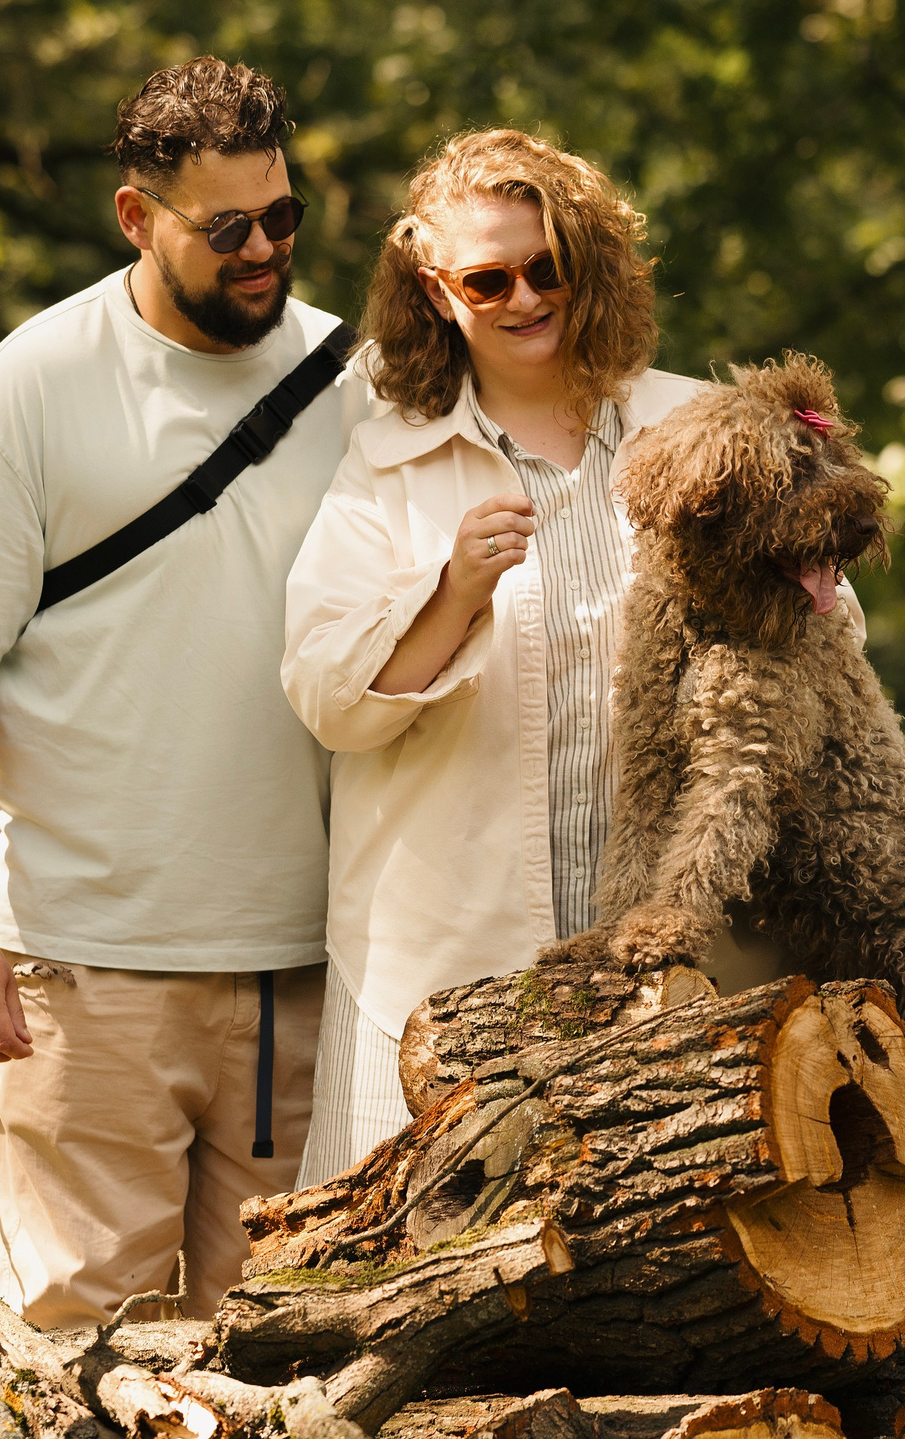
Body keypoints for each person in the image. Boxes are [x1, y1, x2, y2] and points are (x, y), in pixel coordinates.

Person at [0, 58, 369, 1325]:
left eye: (283, 216)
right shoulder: (33, 384)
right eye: (227, 227)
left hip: (306, 968)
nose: (264, 250)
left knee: (284, 1352)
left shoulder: (356, 381)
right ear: (137, 218)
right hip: (79, 969)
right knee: (77, 1355)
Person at [280, 129, 856, 1182]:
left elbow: (833, 634)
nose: (525, 298)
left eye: (547, 267)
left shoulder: (699, 426)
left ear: (588, 261)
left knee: (673, 1238)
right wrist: (453, 592)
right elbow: (329, 700)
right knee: (431, 1244)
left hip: (686, 951)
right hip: (448, 958)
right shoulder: (389, 460)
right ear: (435, 289)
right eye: (486, 278)